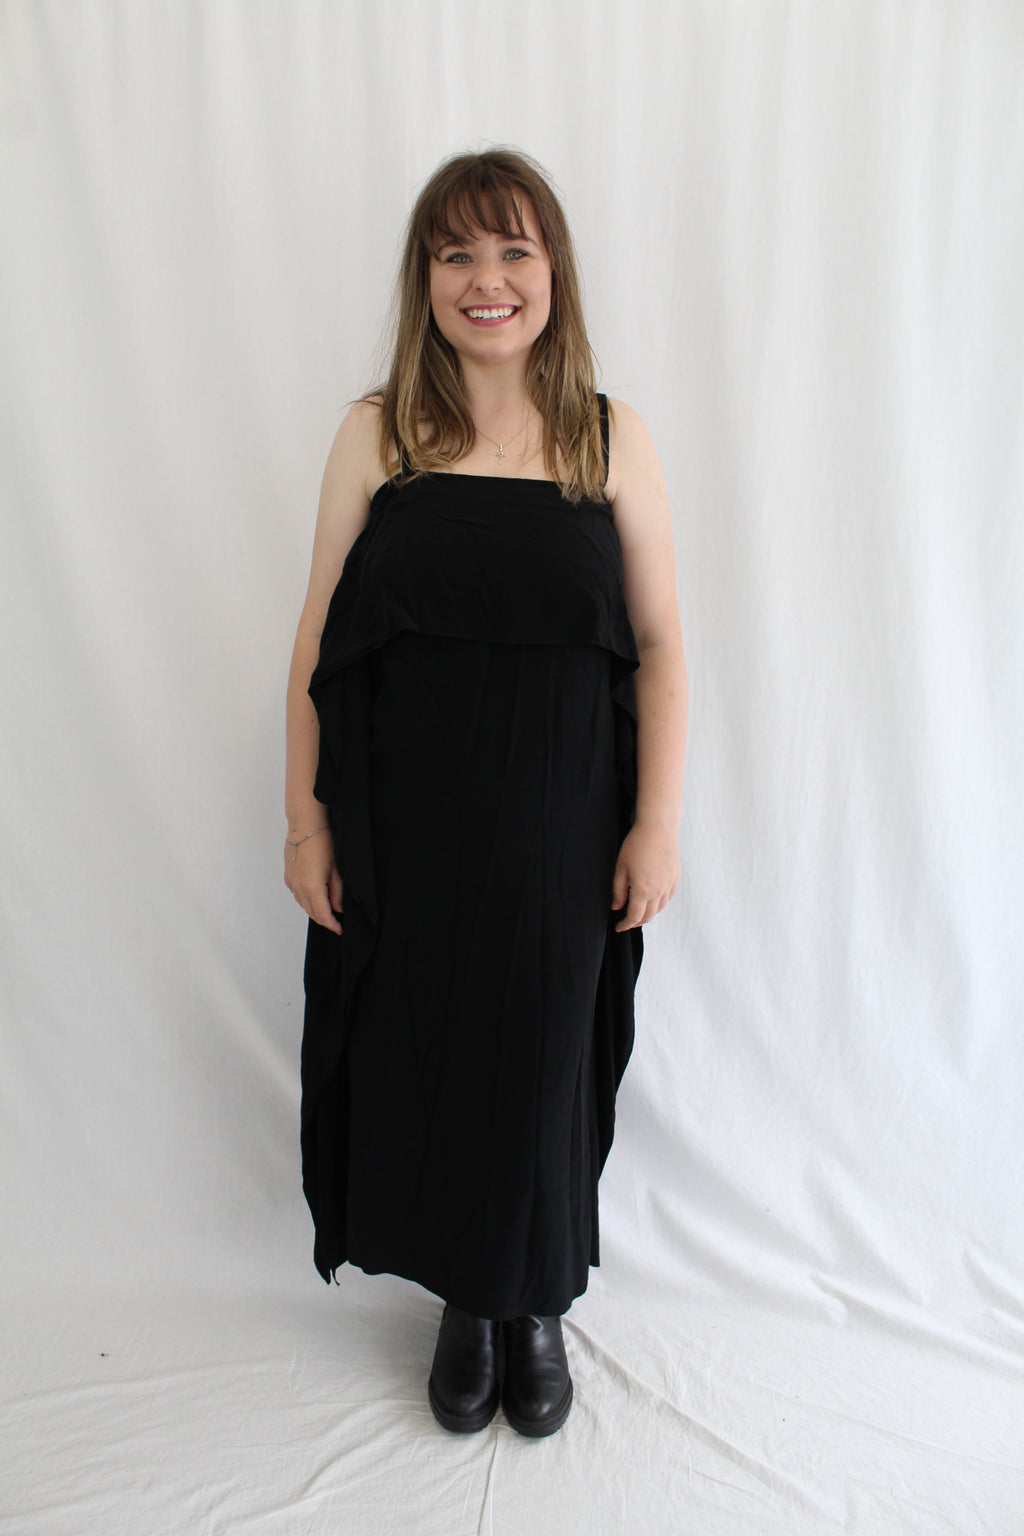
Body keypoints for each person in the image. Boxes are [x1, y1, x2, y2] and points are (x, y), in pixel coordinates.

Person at [283, 148, 688, 1438]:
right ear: (425, 279)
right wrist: (306, 822)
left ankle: (535, 1301)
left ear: (553, 271)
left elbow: (661, 642)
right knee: (431, 1052)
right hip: (405, 831)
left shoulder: (610, 438)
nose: (486, 279)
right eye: (456, 253)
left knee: (544, 1058)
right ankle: (469, 1298)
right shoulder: (377, 432)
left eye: (513, 249)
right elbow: (316, 642)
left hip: (563, 832)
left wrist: (657, 822)